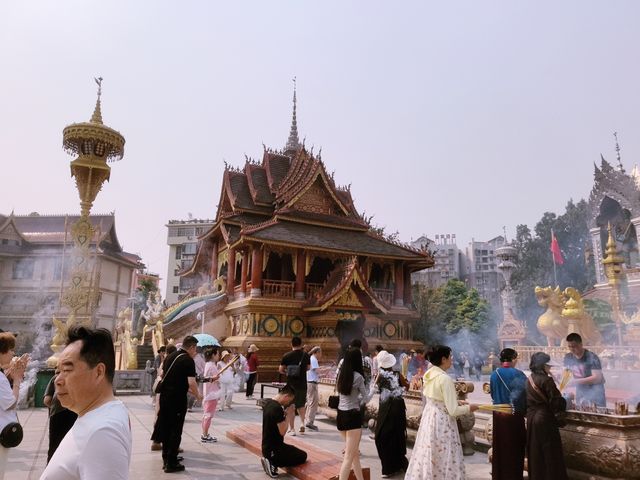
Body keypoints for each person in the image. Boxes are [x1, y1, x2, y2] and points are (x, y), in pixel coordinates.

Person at [40, 326, 131, 480]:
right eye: (58, 372)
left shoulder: (102, 433)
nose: (58, 381)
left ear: (98, 372)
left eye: (67, 370)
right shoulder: (105, 412)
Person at [405, 345, 479, 480]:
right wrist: (470, 408)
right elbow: (453, 411)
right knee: (445, 455)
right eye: (450, 357)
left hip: (430, 418)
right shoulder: (444, 379)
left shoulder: (429, 375)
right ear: (443, 359)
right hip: (442, 422)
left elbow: (436, 398)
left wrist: (457, 401)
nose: (452, 360)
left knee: (430, 452)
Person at [155, 335, 202, 473]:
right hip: (176, 400)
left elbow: (165, 375)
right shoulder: (188, 360)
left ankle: (167, 458)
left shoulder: (171, 356)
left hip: (165, 397)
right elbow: (191, 382)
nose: (196, 352)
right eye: (195, 349)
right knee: (175, 430)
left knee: (166, 428)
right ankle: (171, 462)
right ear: (192, 347)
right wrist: (198, 395)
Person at [526, 352, 568, 480]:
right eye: (548, 365)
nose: (550, 368)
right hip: (545, 419)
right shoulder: (547, 380)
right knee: (550, 452)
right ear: (543, 365)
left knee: (535, 452)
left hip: (532, 419)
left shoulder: (529, 378)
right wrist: (565, 399)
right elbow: (556, 402)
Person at [336, 348, 374, 480]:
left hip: (341, 415)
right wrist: (373, 389)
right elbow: (366, 399)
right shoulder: (358, 377)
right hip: (352, 417)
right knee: (348, 457)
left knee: (354, 455)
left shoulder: (341, 374)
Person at [489, 348, 527, 480]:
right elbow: (524, 395)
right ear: (514, 359)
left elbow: (493, 394)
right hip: (514, 415)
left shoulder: (494, 374)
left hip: (498, 414)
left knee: (500, 447)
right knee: (514, 447)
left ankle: (499, 476)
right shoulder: (519, 374)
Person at [371, 350, 409, 478]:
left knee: (383, 436)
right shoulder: (396, 374)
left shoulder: (380, 375)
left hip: (388, 408)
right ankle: (398, 464)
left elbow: (374, 389)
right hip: (396, 408)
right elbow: (407, 386)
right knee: (396, 435)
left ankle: (392, 467)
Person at [260, 385, 307, 478]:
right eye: (289, 400)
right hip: (275, 450)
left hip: (267, 447)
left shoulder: (269, 403)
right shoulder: (277, 408)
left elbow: (275, 422)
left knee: (293, 449)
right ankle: (272, 463)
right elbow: (282, 431)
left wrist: (284, 414)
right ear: (286, 396)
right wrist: (289, 415)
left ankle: (269, 459)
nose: (288, 403)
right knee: (303, 456)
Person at [0, 332, 27, 480]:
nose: (13, 353)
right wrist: (16, 380)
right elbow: (10, 403)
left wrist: (9, 373)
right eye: (10, 349)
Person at [563, 332, 606, 407]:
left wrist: (575, 381)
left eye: (574, 346)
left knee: (597, 413)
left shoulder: (592, 357)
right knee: (581, 413)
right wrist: (564, 381)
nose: (571, 349)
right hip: (581, 390)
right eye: (569, 346)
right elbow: (566, 373)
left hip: (595, 390)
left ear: (581, 344)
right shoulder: (568, 357)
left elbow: (597, 378)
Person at [279, 336, 310, 435]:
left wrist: (288, 372)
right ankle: (302, 423)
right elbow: (308, 368)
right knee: (301, 405)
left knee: (290, 407)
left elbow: (280, 369)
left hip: (291, 385)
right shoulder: (305, 355)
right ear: (301, 344)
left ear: (291, 344)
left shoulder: (286, 355)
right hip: (302, 384)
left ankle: (292, 429)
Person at [43, 374, 78, 463]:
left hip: (57, 413)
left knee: (54, 446)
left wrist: (54, 406)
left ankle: (51, 470)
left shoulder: (55, 378)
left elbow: (47, 400)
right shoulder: (81, 377)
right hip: (76, 412)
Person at [150, 344, 176, 451]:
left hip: (161, 393)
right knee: (163, 418)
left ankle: (159, 441)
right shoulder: (168, 362)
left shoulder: (164, 362)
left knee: (160, 416)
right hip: (165, 393)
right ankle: (162, 442)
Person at [200, 347, 221, 443]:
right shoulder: (212, 366)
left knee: (206, 415)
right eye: (217, 354)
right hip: (211, 394)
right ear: (213, 355)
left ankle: (205, 433)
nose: (219, 356)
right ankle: (205, 435)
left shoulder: (208, 364)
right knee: (208, 415)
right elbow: (217, 378)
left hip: (209, 393)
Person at [304, 346, 322, 431]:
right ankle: (310, 422)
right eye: (320, 353)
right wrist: (327, 370)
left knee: (310, 402)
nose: (320, 355)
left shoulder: (311, 359)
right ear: (316, 352)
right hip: (312, 383)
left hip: (310, 383)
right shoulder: (313, 359)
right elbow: (318, 371)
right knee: (313, 403)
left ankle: (307, 420)